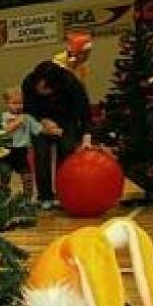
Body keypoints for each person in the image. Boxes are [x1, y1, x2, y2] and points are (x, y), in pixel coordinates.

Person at [21, 60, 92, 209]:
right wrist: (44, 122)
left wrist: (86, 138)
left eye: (45, 89)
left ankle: (63, 193)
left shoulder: (71, 83)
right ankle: (45, 196)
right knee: (41, 155)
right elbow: (28, 110)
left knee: (66, 152)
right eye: (38, 87)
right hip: (40, 121)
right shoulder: (28, 82)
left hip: (66, 120)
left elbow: (84, 112)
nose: (40, 90)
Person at [0, 86, 59, 198]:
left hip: (21, 152)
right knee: (5, 176)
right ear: (7, 103)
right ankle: (1, 197)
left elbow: (39, 129)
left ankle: (27, 200)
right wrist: (18, 122)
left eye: (20, 103)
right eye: (14, 103)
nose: (18, 106)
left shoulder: (27, 117)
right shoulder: (3, 117)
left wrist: (53, 130)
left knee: (27, 177)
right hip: (7, 151)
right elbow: (5, 130)